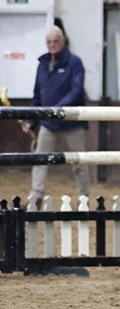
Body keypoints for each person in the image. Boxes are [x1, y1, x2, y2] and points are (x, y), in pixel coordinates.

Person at [24, 24, 90, 207]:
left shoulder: (74, 63)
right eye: (49, 41)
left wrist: (57, 109)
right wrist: (30, 120)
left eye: (56, 41)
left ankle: (84, 197)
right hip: (48, 124)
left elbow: (77, 91)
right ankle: (36, 195)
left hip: (71, 123)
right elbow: (37, 95)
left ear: (63, 41)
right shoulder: (42, 65)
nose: (52, 44)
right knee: (39, 159)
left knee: (79, 163)